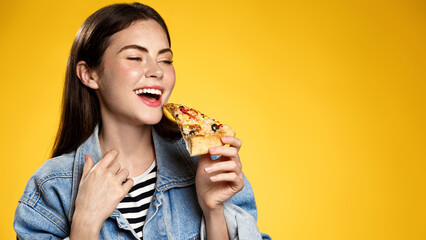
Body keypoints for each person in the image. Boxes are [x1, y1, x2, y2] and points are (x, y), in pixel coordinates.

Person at [14, 3, 270, 240]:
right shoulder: (52, 187)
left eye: (165, 60)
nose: (157, 71)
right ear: (89, 74)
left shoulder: (209, 167)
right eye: (135, 57)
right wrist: (85, 223)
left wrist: (213, 211)